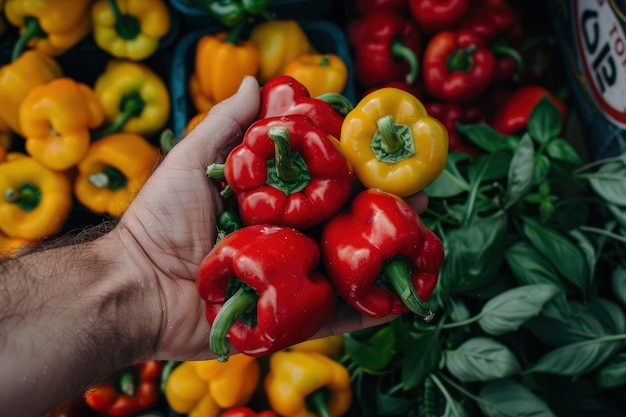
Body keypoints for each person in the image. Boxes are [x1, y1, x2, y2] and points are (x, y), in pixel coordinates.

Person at [0, 76, 429, 417]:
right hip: (287, 197)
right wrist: (136, 264)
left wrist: (137, 265)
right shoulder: (260, 183)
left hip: (290, 191)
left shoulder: (262, 174)